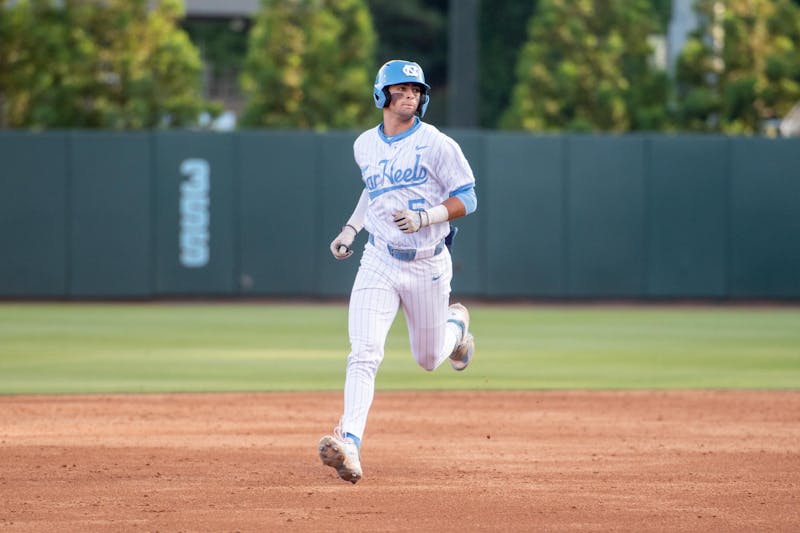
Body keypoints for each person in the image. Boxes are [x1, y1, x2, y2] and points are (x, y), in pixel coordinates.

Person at [318, 59, 478, 484]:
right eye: (402, 89)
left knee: (428, 359)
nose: (411, 95)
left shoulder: (437, 144)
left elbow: (469, 198)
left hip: (427, 263)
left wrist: (427, 217)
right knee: (364, 353)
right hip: (380, 258)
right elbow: (373, 192)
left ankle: (456, 328)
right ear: (382, 94)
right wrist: (351, 230)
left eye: (417, 90)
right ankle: (348, 443)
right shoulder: (364, 146)